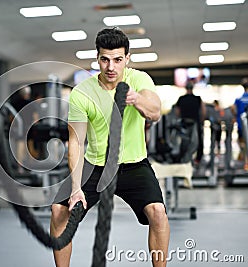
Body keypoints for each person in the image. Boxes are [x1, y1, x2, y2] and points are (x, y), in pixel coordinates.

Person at [50, 27, 169, 267]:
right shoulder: (82, 93)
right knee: (58, 212)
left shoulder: (139, 79)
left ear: (127, 59)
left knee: (158, 213)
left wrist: (135, 99)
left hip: (134, 165)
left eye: (117, 60)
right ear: (97, 58)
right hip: (95, 166)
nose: (111, 67)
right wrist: (75, 188)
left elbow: (155, 112)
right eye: (105, 59)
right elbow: (75, 142)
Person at [175, 80, 206, 165]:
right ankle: (197, 160)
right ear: (192, 88)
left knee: (184, 142)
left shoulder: (181, 99)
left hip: (184, 123)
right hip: (195, 122)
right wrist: (202, 121)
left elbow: (177, 112)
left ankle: (183, 159)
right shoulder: (197, 99)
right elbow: (203, 111)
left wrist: (179, 119)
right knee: (198, 142)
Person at [231, 77, 248, 170]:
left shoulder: (239, 99)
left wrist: (236, 116)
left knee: (242, 143)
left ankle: (245, 161)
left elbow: (233, 109)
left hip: (241, 125)